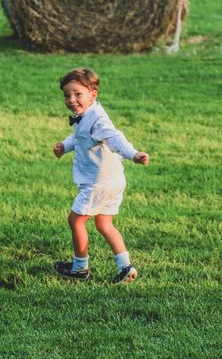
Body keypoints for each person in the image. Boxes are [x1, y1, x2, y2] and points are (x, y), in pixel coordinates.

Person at [52, 67, 149, 284]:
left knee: (76, 220)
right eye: (67, 95)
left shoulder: (98, 120)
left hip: (98, 183)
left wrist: (133, 154)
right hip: (114, 180)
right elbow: (78, 137)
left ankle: (80, 267)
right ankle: (125, 266)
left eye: (78, 94)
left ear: (92, 94)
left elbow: (116, 138)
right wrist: (64, 146)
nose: (72, 99)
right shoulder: (85, 116)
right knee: (104, 224)